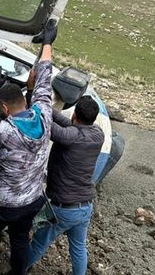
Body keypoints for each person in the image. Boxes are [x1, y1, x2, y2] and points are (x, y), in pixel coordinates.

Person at [0, 20, 57, 275]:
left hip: (1, 202)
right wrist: (47, 43)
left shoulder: (3, 131)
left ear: (4, 109)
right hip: (31, 200)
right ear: (25, 100)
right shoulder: (44, 117)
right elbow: (46, 81)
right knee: (19, 241)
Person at [26, 95, 105, 275]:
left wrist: (33, 100)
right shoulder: (97, 134)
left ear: (75, 114)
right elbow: (63, 121)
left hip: (63, 208)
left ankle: (19, 269)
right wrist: (44, 106)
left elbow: (47, 124)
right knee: (78, 249)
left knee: (39, 243)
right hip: (85, 207)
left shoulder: (70, 136)